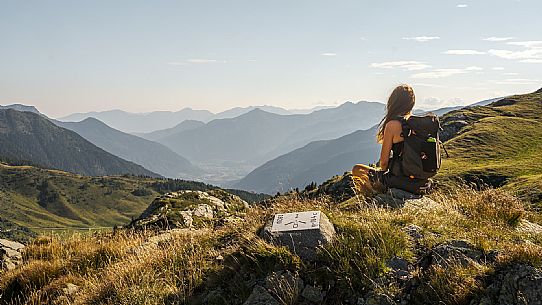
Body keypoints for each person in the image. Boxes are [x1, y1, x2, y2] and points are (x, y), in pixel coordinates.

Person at [352, 84, 431, 194]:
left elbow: (384, 163)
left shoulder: (393, 125)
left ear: (394, 102)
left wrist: (382, 174)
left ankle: (371, 198)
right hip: (422, 182)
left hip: (400, 181)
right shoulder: (418, 124)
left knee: (357, 169)